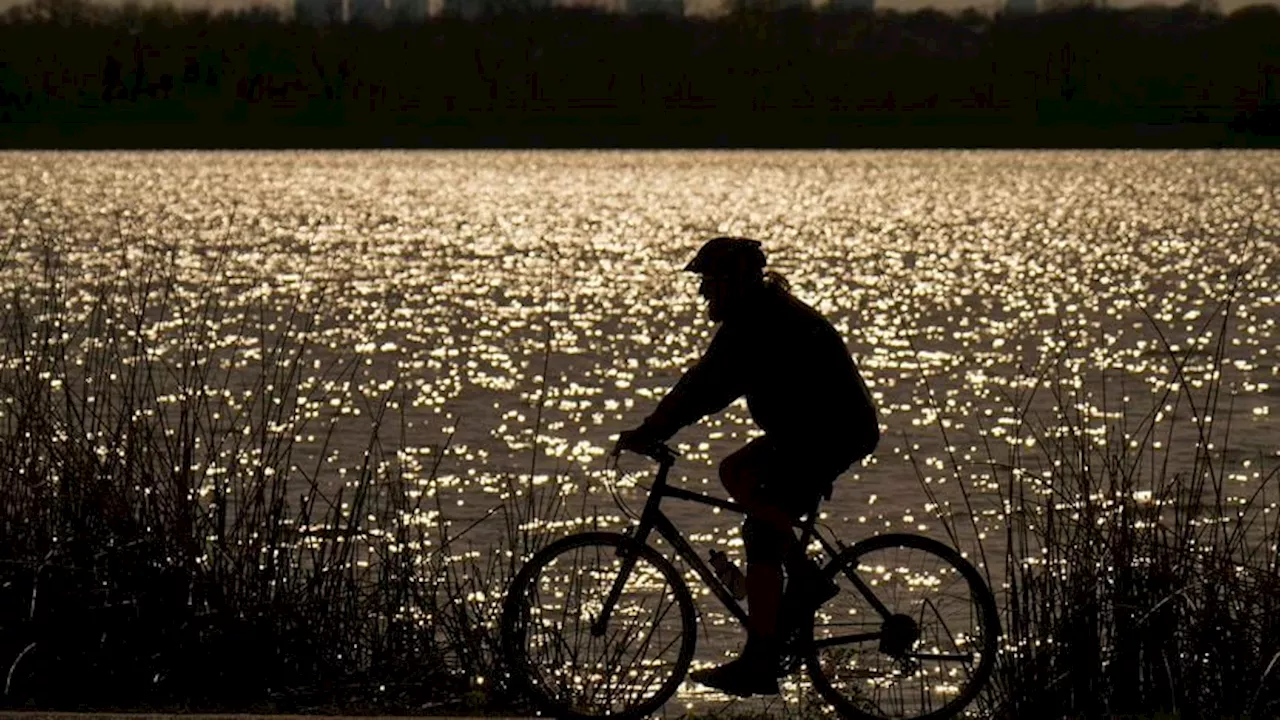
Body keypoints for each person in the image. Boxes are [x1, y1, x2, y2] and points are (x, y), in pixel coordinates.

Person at [612, 236, 880, 697]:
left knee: (760, 535)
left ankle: (761, 658)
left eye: (710, 283)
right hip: (808, 430)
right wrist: (656, 427)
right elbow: (708, 383)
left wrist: (652, 430)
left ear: (735, 282)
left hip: (829, 432)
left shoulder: (758, 322)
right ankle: (801, 572)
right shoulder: (757, 313)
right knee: (734, 471)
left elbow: (705, 385)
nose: (704, 295)